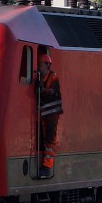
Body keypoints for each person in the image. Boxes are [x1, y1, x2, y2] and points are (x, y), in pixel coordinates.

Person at [37, 48, 62, 179]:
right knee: (43, 139)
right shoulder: (40, 78)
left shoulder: (54, 77)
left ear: (47, 65)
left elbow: (53, 92)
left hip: (52, 113)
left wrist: (43, 90)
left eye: (40, 65)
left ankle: (47, 166)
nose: (39, 68)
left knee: (49, 140)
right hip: (43, 112)